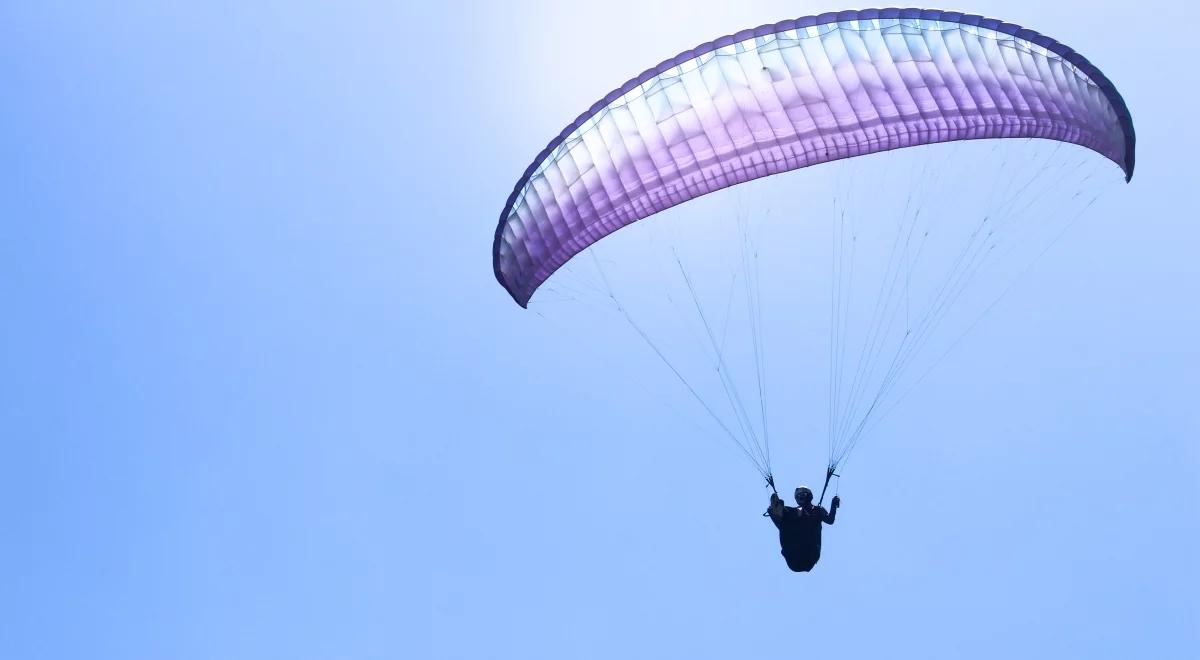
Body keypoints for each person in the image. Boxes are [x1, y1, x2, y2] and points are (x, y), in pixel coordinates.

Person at [767, 486, 840, 572]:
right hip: (793, 556)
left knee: (795, 515)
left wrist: (833, 505)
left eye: (803, 495)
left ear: (809, 496)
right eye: (798, 496)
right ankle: (778, 510)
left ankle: (779, 512)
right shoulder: (794, 511)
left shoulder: (817, 510)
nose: (800, 497)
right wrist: (774, 514)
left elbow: (830, 520)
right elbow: (783, 527)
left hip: (809, 554)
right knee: (790, 515)